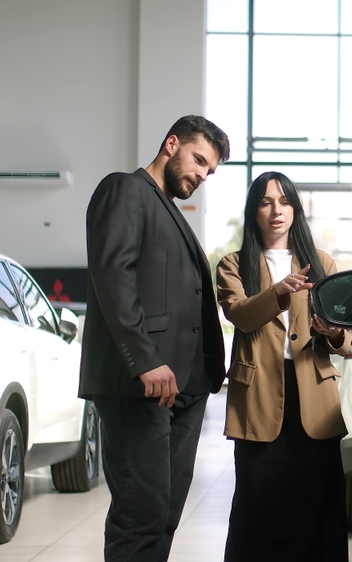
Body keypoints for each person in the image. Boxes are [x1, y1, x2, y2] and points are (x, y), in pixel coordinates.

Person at [78, 115, 230, 562]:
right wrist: (144, 359)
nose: (202, 176)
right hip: (141, 385)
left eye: (210, 171)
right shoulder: (124, 190)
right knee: (139, 518)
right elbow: (114, 276)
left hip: (185, 389)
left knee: (164, 516)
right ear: (171, 144)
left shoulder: (171, 211)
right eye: (199, 161)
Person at [216, 171, 351, 561]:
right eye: (266, 202)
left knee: (317, 505)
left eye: (285, 201)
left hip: (314, 396)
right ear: (253, 212)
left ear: (295, 210)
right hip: (259, 396)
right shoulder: (233, 264)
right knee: (258, 506)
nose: (276, 210)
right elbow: (241, 315)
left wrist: (332, 331)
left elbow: (343, 339)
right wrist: (279, 290)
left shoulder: (322, 263)